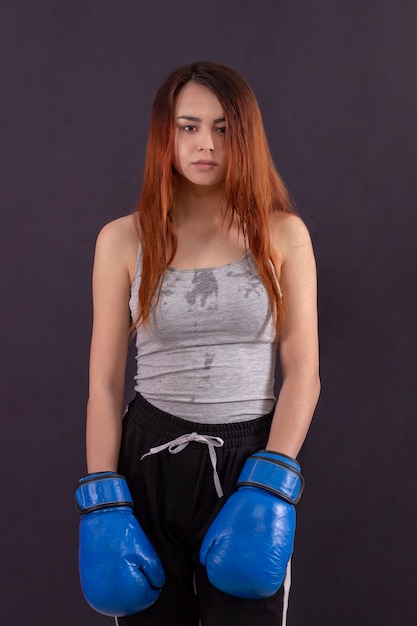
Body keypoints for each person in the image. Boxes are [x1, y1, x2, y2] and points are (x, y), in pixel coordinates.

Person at [75, 61, 320, 626]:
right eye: (189, 127)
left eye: (222, 128)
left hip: (247, 457)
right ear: (167, 134)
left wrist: (271, 480)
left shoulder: (282, 234)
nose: (205, 143)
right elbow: (104, 384)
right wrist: (103, 500)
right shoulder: (122, 239)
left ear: (245, 136)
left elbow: (303, 372)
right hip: (146, 460)